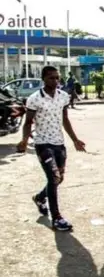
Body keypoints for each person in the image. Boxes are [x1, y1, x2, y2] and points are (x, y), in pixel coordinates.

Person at [17, 66, 86, 231]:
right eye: (51, 78)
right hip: (42, 143)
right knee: (53, 177)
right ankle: (57, 218)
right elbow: (28, 123)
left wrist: (75, 140)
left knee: (59, 178)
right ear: (43, 79)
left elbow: (65, 119)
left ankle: (40, 198)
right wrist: (24, 140)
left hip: (59, 143)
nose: (55, 81)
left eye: (57, 78)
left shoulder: (63, 96)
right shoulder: (34, 98)